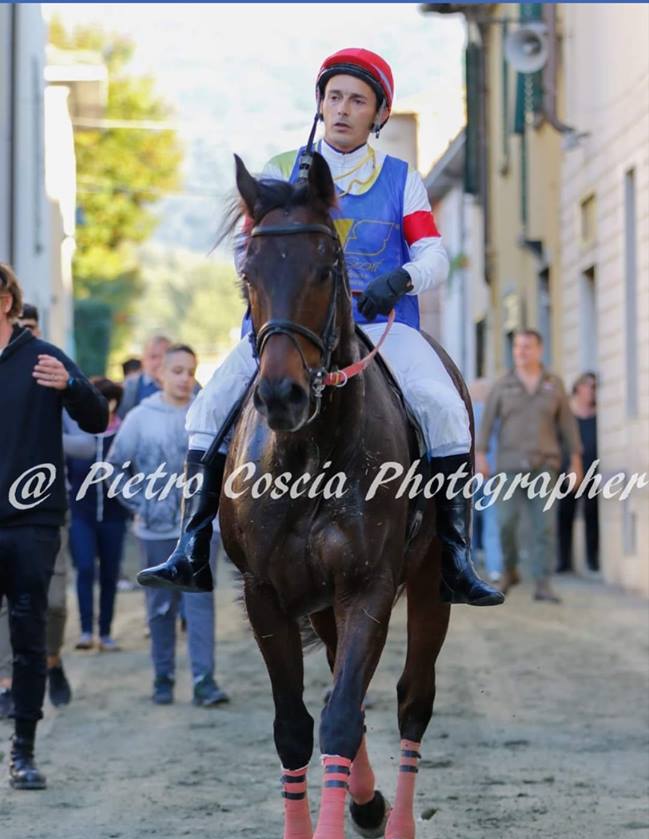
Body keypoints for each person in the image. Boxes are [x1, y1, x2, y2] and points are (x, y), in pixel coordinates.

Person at [139, 48, 503, 608]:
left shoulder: (401, 179)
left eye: (357, 100)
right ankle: (191, 546)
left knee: (445, 406)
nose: (342, 109)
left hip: (382, 328)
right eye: (334, 97)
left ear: (378, 115)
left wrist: (400, 279)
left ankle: (454, 556)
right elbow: (249, 253)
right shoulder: (280, 169)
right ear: (320, 103)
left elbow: (434, 255)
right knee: (207, 409)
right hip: (288, 332)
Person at [0, 263, 108, 788]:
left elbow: (95, 419)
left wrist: (70, 387)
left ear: (6, 301)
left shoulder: (43, 358)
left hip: (31, 521)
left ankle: (23, 751)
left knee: (27, 635)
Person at [107, 344, 229, 706]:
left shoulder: (209, 413)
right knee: (160, 606)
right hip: (156, 529)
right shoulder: (141, 417)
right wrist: (139, 503)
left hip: (203, 529)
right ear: (160, 373)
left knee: (200, 603)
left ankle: (204, 681)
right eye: (176, 371)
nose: (184, 378)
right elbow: (113, 468)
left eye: (190, 371)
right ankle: (163, 676)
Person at [476, 330, 583, 603]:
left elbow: (568, 426)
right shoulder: (503, 385)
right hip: (509, 467)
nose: (521, 352)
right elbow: (487, 423)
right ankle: (510, 570)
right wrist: (480, 455)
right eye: (517, 347)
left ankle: (543, 583)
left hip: (544, 465)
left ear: (539, 350)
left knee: (544, 527)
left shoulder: (553, 384)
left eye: (527, 347)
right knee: (505, 522)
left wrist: (575, 461)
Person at [66, 377, 131, 652]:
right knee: (83, 568)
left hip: (115, 518)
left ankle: (105, 632)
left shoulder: (124, 435)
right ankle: (85, 631)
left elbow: (134, 474)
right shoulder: (79, 436)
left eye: (106, 400)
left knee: (109, 573)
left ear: (114, 403)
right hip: (81, 515)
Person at [557, 371, 599, 573]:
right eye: (588, 386)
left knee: (592, 515)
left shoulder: (600, 416)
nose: (592, 391)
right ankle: (564, 562)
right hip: (568, 472)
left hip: (593, 472)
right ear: (578, 388)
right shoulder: (568, 415)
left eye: (595, 387)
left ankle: (593, 560)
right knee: (565, 515)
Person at [469, 378, 503, 583]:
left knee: (468, 522)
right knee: (493, 523)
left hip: (470, 473)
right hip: (493, 472)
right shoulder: (496, 415)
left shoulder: (467, 412)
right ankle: (495, 567)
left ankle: (469, 564)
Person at [117, 334, 171, 418]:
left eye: (164, 357)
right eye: (153, 357)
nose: (159, 362)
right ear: (143, 359)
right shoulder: (130, 385)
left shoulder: (189, 386)